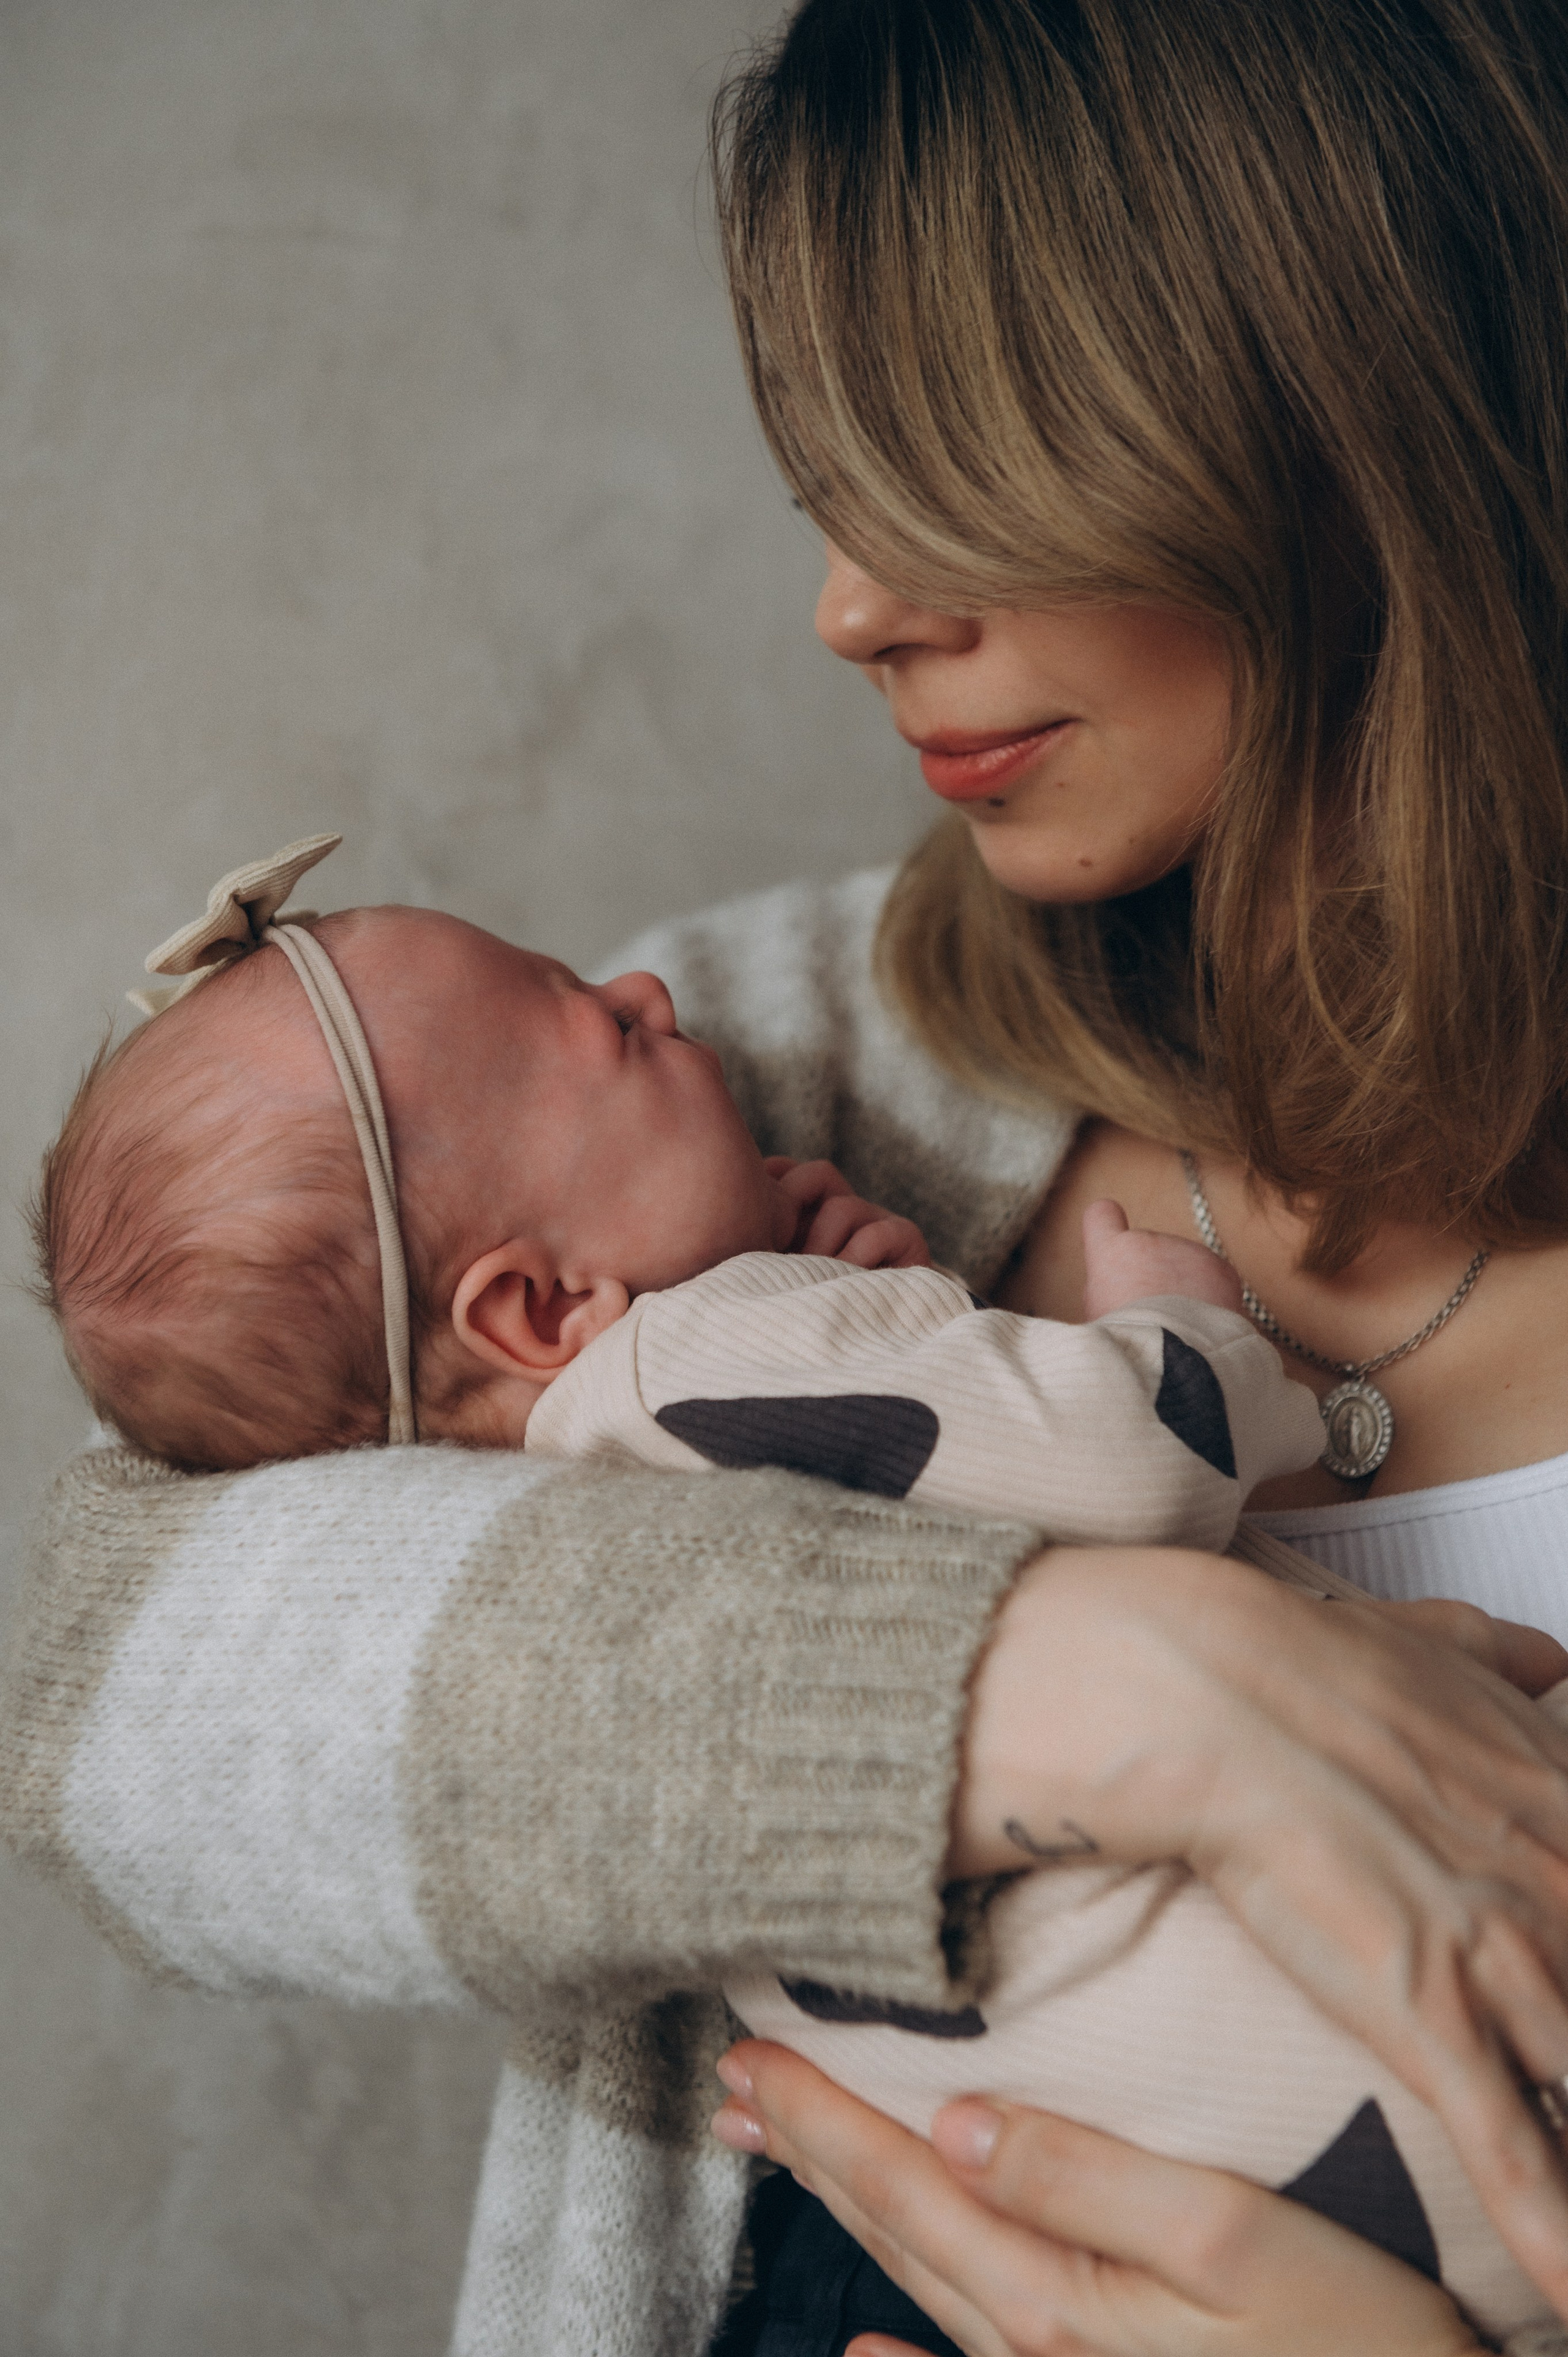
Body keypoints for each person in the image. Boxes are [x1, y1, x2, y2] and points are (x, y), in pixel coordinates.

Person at [9, 0, 1568, 2350]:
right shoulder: (772, 1064)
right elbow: (108, 1696)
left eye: (951, 470)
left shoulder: (644, 1097)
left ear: (1342, 393)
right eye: (830, 480)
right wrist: (1104, 1673)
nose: (854, 606)